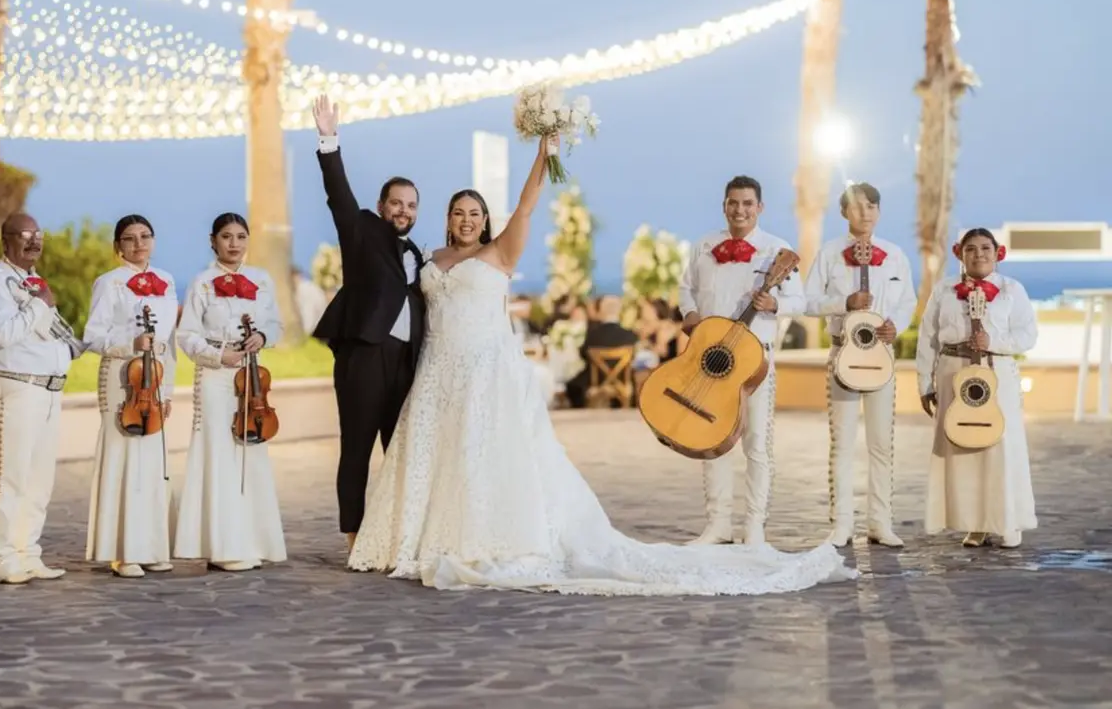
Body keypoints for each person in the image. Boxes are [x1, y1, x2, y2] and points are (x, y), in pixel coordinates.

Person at [346, 138, 854, 595]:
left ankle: (483, 537)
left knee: (481, 457)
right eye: (459, 212)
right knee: (436, 456)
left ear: (485, 220)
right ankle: (418, 538)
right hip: (437, 371)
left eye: (475, 213)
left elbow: (526, 206)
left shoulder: (500, 252)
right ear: (447, 217)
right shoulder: (428, 258)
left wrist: (543, 156)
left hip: (484, 372)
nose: (466, 220)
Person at [311, 95, 426, 555]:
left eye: (411, 205)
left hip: (406, 362)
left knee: (399, 454)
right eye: (396, 203)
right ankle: (355, 536)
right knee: (356, 448)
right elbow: (338, 193)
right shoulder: (361, 230)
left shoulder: (419, 254)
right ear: (381, 206)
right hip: (363, 356)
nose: (403, 210)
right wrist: (329, 141)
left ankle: (398, 533)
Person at [678, 176, 806, 547]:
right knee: (711, 438)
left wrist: (776, 304)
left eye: (748, 203)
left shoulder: (776, 249)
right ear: (724, 205)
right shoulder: (703, 245)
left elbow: (801, 301)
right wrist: (689, 313)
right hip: (710, 360)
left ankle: (754, 528)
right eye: (733, 203)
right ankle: (717, 525)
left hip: (755, 363)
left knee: (756, 444)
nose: (740, 210)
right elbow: (686, 287)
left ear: (760, 208)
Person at [804, 183, 916, 548]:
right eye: (856, 207)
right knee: (842, 444)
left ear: (879, 211)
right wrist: (844, 302)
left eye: (871, 207)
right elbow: (807, 302)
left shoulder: (896, 255)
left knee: (882, 444)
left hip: (880, 357)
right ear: (843, 213)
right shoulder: (829, 253)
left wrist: (894, 324)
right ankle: (841, 525)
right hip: (843, 355)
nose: (864, 213)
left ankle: (880, 523)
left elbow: (908, 301)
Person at [173, 213, 286, 571]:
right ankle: (224, 546)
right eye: (226, 236)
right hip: (215, 375)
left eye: (240, 236)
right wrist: (219, 355)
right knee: (219, 455)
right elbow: (186, 335)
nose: (234, 244)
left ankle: (253, 540)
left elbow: (275, 324)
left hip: (252, 379)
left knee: (251, 456)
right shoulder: (202, 283)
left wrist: (263, 337)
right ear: (213, 241)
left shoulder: (262, 280)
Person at [0, 212, 80, 584]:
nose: (34, 241)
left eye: (39, 235)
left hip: (46, 390)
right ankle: (3, 557)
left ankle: (28, 553)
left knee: (39, 479)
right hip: (15, 388)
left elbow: (46, 337)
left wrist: (71, 352)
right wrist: (40, 304)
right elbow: (4, 333)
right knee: (11, 477)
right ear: (6, 242)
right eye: (25, 235)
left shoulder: (32, 281)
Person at [917, 228, 1037, 548]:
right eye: (971, 248)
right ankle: (976, 524)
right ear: (960, 254)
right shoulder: (943, 290)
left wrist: (992, 341)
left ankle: (1008, 522)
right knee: (964, 448)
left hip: (996, 374)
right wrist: (925, 383)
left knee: (1001, 446)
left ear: (998, 253)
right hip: (952, 373)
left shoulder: (1013, 290)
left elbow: (1028, 335)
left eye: (986, 248)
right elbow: (927, 338)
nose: (979, 254)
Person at [82, 215, 179, 578]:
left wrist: (166, 391)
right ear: (117, 246)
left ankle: (151, 547)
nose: (138, 244)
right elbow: (92, 336)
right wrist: (130, 345)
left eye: (144, 236)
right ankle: (121, 551)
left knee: (152, 463)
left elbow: (168, 342)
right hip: (121, 378)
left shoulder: (167, 282)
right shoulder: (109, 284)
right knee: (122, 457)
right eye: (129, 238)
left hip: (154, 381)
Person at [565, 294, 639, 408]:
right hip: (622, 380)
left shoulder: (593, 334)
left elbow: (584, 355)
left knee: (571, 386)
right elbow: (634, 357)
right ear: (619, 311)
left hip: (596, 380)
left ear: (601, 310)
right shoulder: (630, 335)